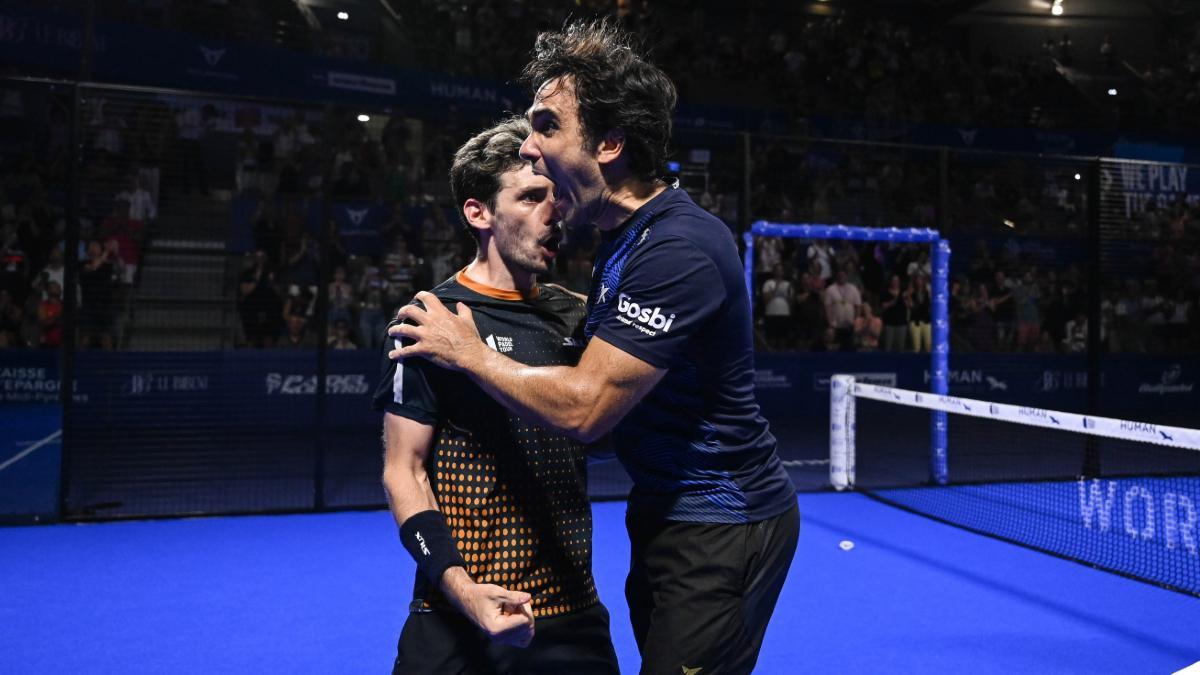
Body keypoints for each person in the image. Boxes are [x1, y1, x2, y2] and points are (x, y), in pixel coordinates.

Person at [389, 20, 798, 674]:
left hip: (723, 519)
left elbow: (586, 412)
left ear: (609, 143)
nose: (528, 144)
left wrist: (468, 352)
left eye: (547, 125)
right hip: (662, 511)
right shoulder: (616, 240)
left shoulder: (679, 248)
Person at [374, 117, 619, 675]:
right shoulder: (429, 321)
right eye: (531, 196)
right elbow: (402, 472)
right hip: (456, 613)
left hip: (572, 614)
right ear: (478, 212)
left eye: (555, 197)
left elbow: (600, 436)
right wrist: (463, 590)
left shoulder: (579, 316)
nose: (552, 212)